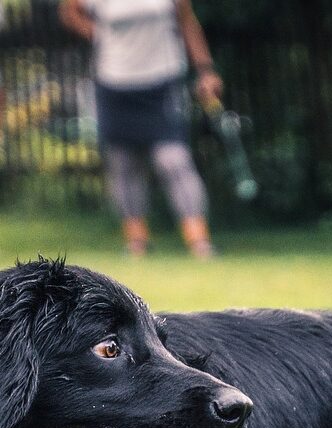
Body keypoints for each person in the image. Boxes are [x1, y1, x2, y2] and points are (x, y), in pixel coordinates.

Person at [59, 0, 223, 258]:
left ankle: (199, 240)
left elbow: (188, 22)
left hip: (163, 80)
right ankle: (137, 241)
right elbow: (69, 13)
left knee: (173, 161)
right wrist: (99, 35)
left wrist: (205, 70)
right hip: (113, 82)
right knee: (123, 164)